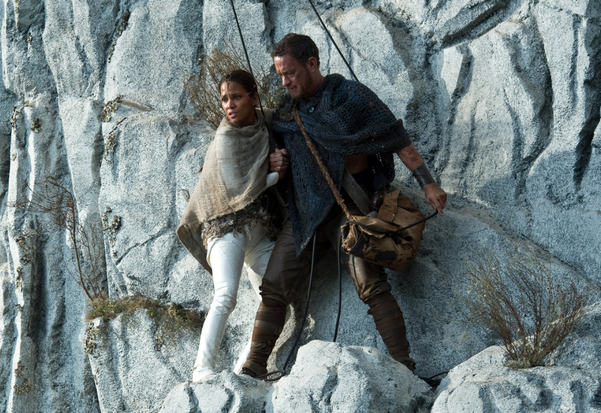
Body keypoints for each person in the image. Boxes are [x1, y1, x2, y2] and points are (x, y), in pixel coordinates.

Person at [239, 33, 447, 378]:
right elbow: (266, 140)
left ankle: (404, 369)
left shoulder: (349, 96)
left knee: (371, 283)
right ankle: (254, 367)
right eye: (279, 75)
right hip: (306, 211)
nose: (284, 81)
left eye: (289, 73)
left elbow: (395, 136)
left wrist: (427, 182)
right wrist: (278, 161)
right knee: (274, 284)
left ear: (312, 64)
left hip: (353, 209)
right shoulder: (288, 113)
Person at [177, 70, 286, 383]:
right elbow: (242, 188)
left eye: (236, 96)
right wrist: (276, 171)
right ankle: (202, 369)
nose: (229, 105)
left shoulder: (264, 122)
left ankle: (244, 367)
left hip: (257, 230)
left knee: (277, 297)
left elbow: (282, 122)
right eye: (224, 99)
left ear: (253, 97)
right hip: (225, 229)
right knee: (225, 296)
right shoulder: (226, 137)